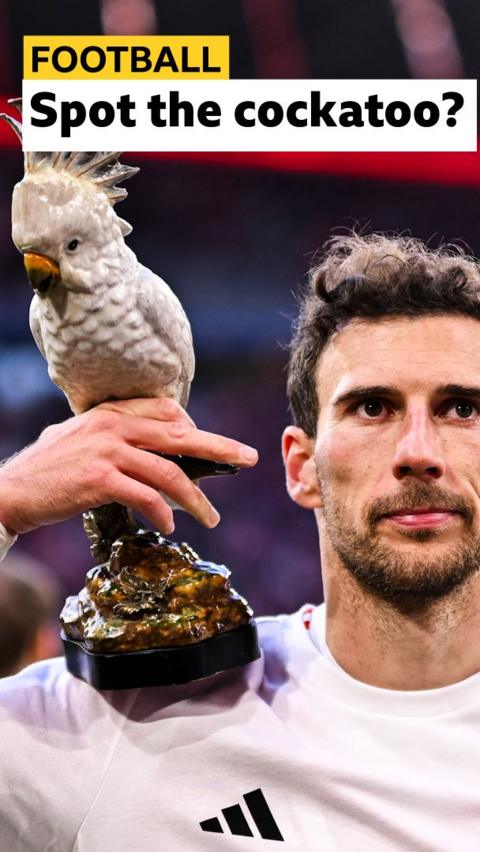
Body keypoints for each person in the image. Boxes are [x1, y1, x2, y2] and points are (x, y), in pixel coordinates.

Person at [2, 232, 480, 851]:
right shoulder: (122, 722)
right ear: (301, 466)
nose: (419, 453)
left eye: (463, 409)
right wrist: (8, 498)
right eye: (371, 408)